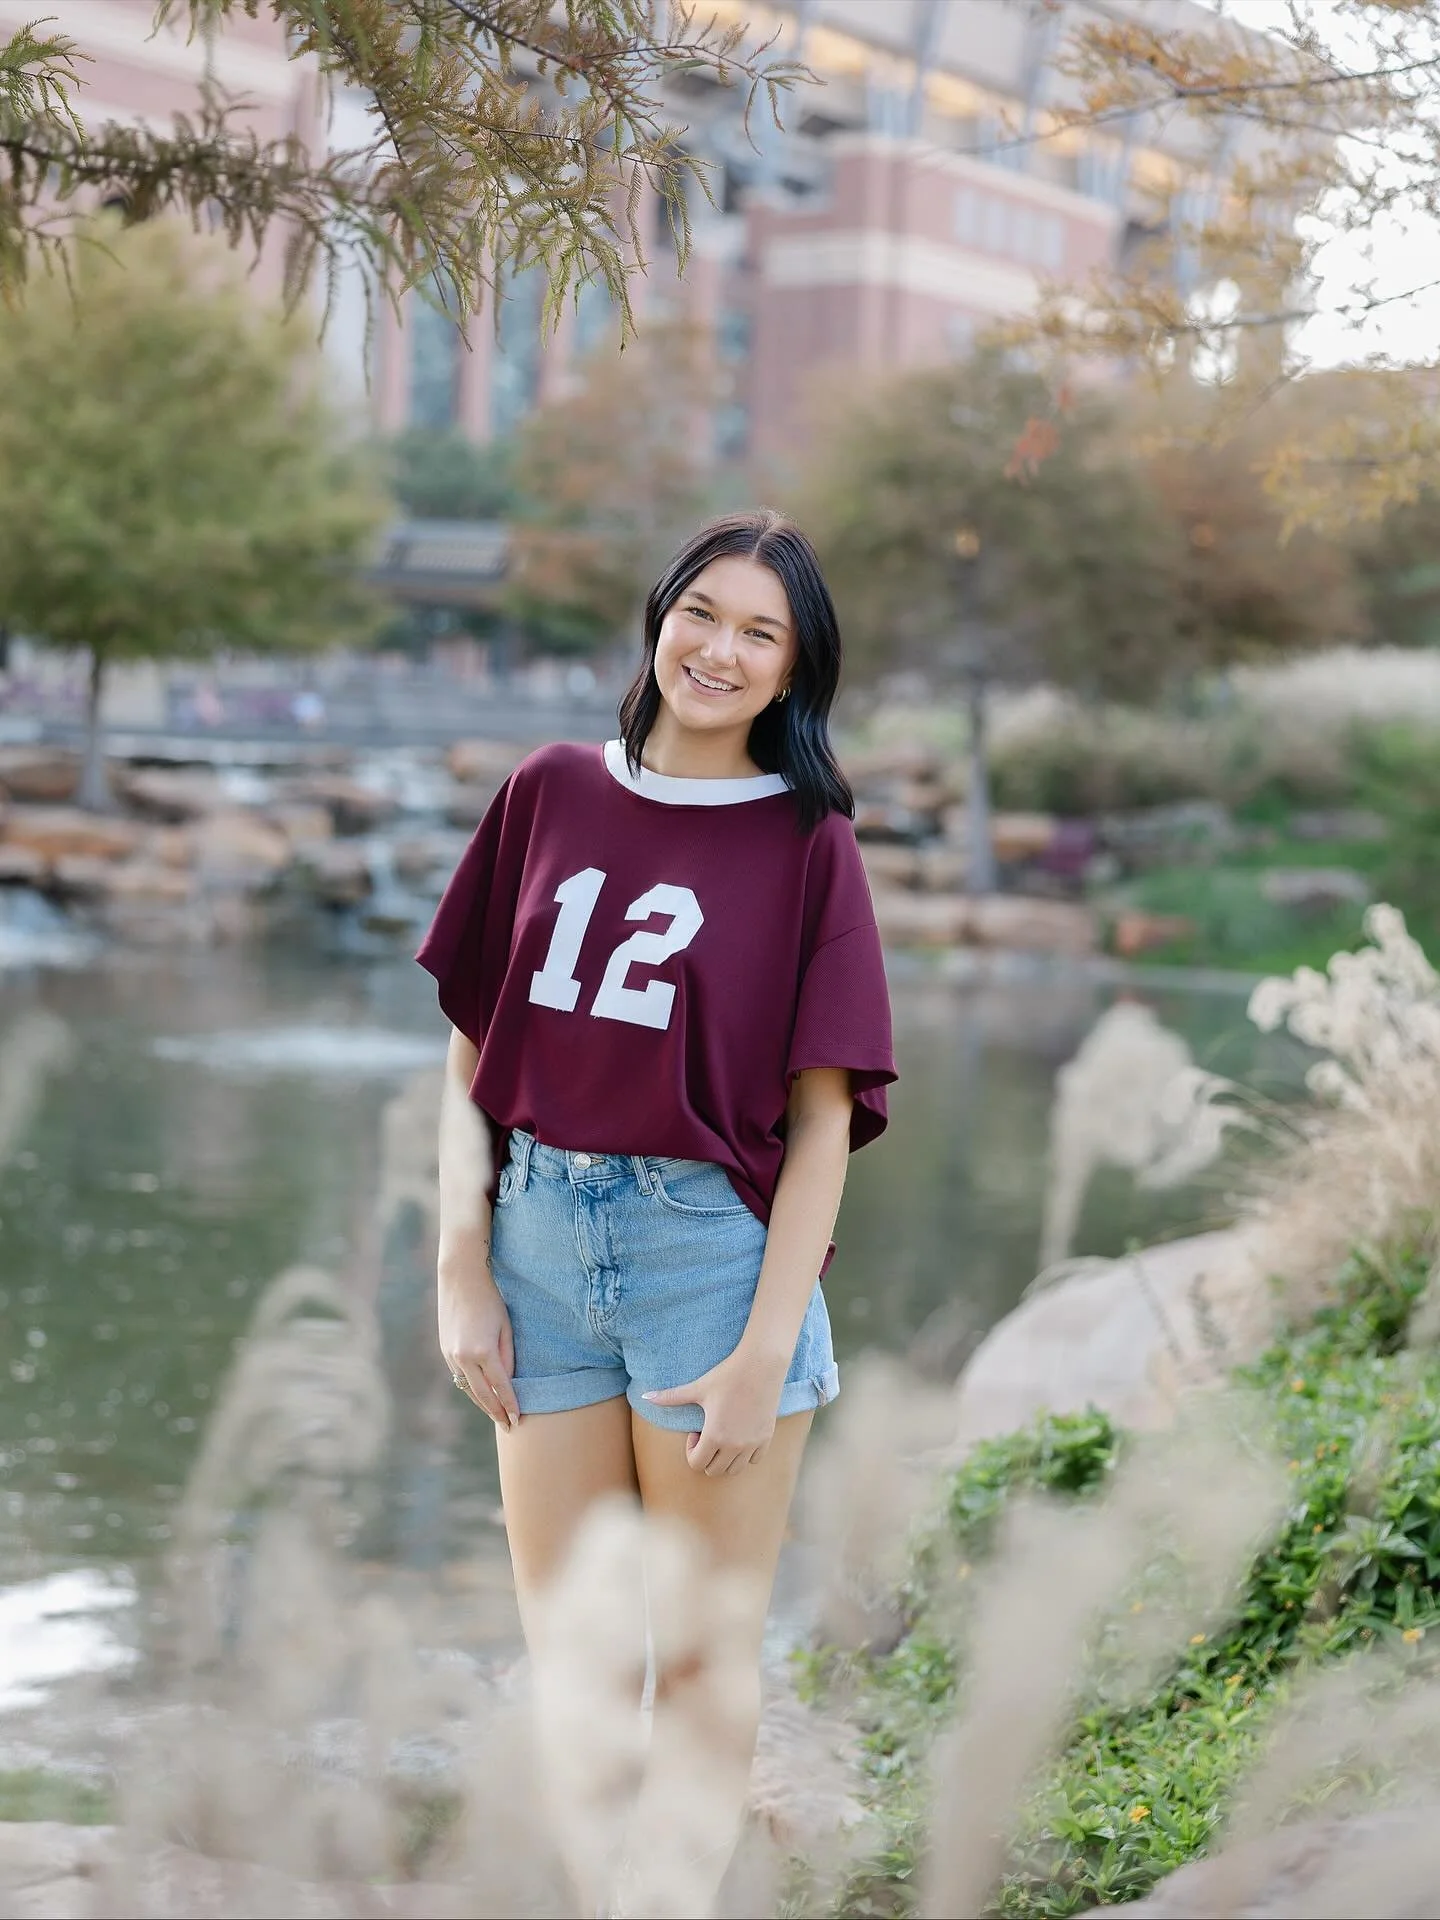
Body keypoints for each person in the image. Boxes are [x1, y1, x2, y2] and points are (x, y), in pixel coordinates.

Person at [415, 508, 897, 1914]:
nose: (721, 649)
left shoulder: (810, 844)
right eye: (704, 612)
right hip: (538, 1241)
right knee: (569, 1656)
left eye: (763, 633)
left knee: (694, 1657)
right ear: (659, 616)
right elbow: (468, 1057)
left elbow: (824, 1123)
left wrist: (764, 1348)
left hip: (710, 1263)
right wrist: (462, 1265)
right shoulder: (548, 789)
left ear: (796, 671)